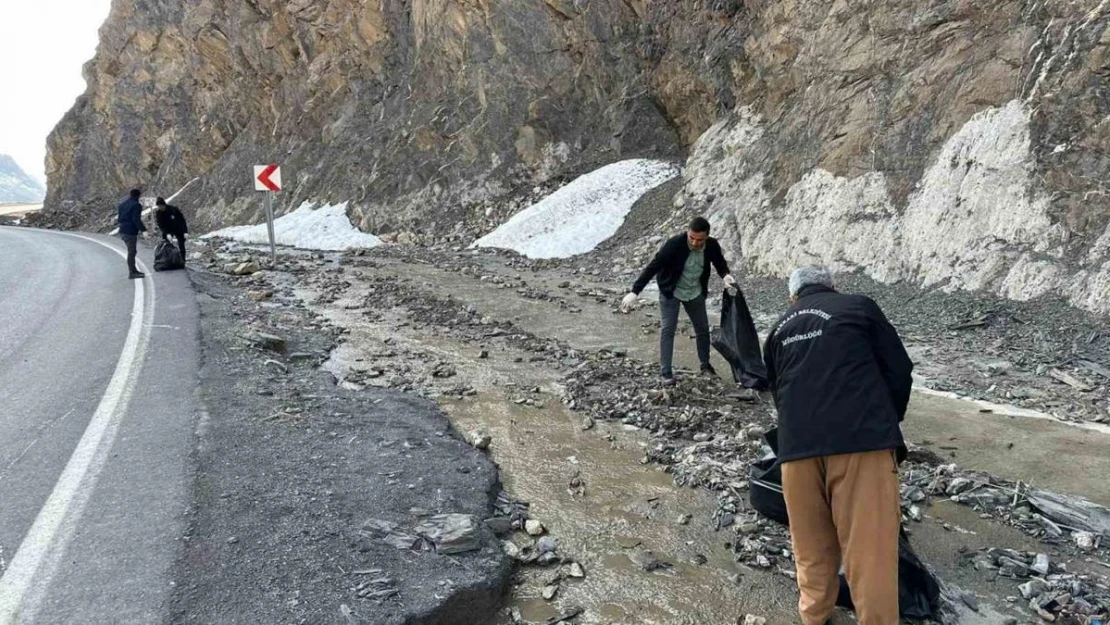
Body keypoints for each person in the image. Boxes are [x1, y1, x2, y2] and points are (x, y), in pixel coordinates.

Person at [762, 266, 913, 625]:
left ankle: (815, 617)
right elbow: (899, 369)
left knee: (811, 546)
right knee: (869, 553)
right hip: (861, 442)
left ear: (792, 297)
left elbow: (778, 393)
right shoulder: (858, 306)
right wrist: (885, 421)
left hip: (796, 449)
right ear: (833, 286)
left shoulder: (778, 329)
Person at [620, 216, 737, 385]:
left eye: (700, 239)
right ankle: (665, 372)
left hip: (694, 291)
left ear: (706, 236)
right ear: (688, 233)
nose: (695, 243)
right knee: (668, 329)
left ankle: (705, 366)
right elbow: (654, 266)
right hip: (671, 291)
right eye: (692, 238)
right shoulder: (675, 244)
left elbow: (719, 262)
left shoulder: (711, 245)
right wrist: (635, 292)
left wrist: (725, 275)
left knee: (702, 328)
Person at [117, 189, 146, 279]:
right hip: (130, 231)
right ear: (138, 196)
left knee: (132, 251)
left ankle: (134, 271)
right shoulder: (136, 205)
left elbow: (119, 218)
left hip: (122, 230)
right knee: (132, 251)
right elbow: (136, 219)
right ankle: (132, 272)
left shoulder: (122, 204)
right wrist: (144, 230)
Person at [154, 197, 188, 262]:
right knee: (166, 244)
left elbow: (182, 220)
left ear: (164, 205)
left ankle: (183, 260)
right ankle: (168, 259)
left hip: (178, 228)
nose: (160, 208)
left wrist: (185, 231)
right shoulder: (158, 213)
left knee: (181, 244)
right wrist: (167, 233)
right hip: (167, 230)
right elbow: (161, 225)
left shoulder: (173, 209)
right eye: (159, 206)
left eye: (161, 206)